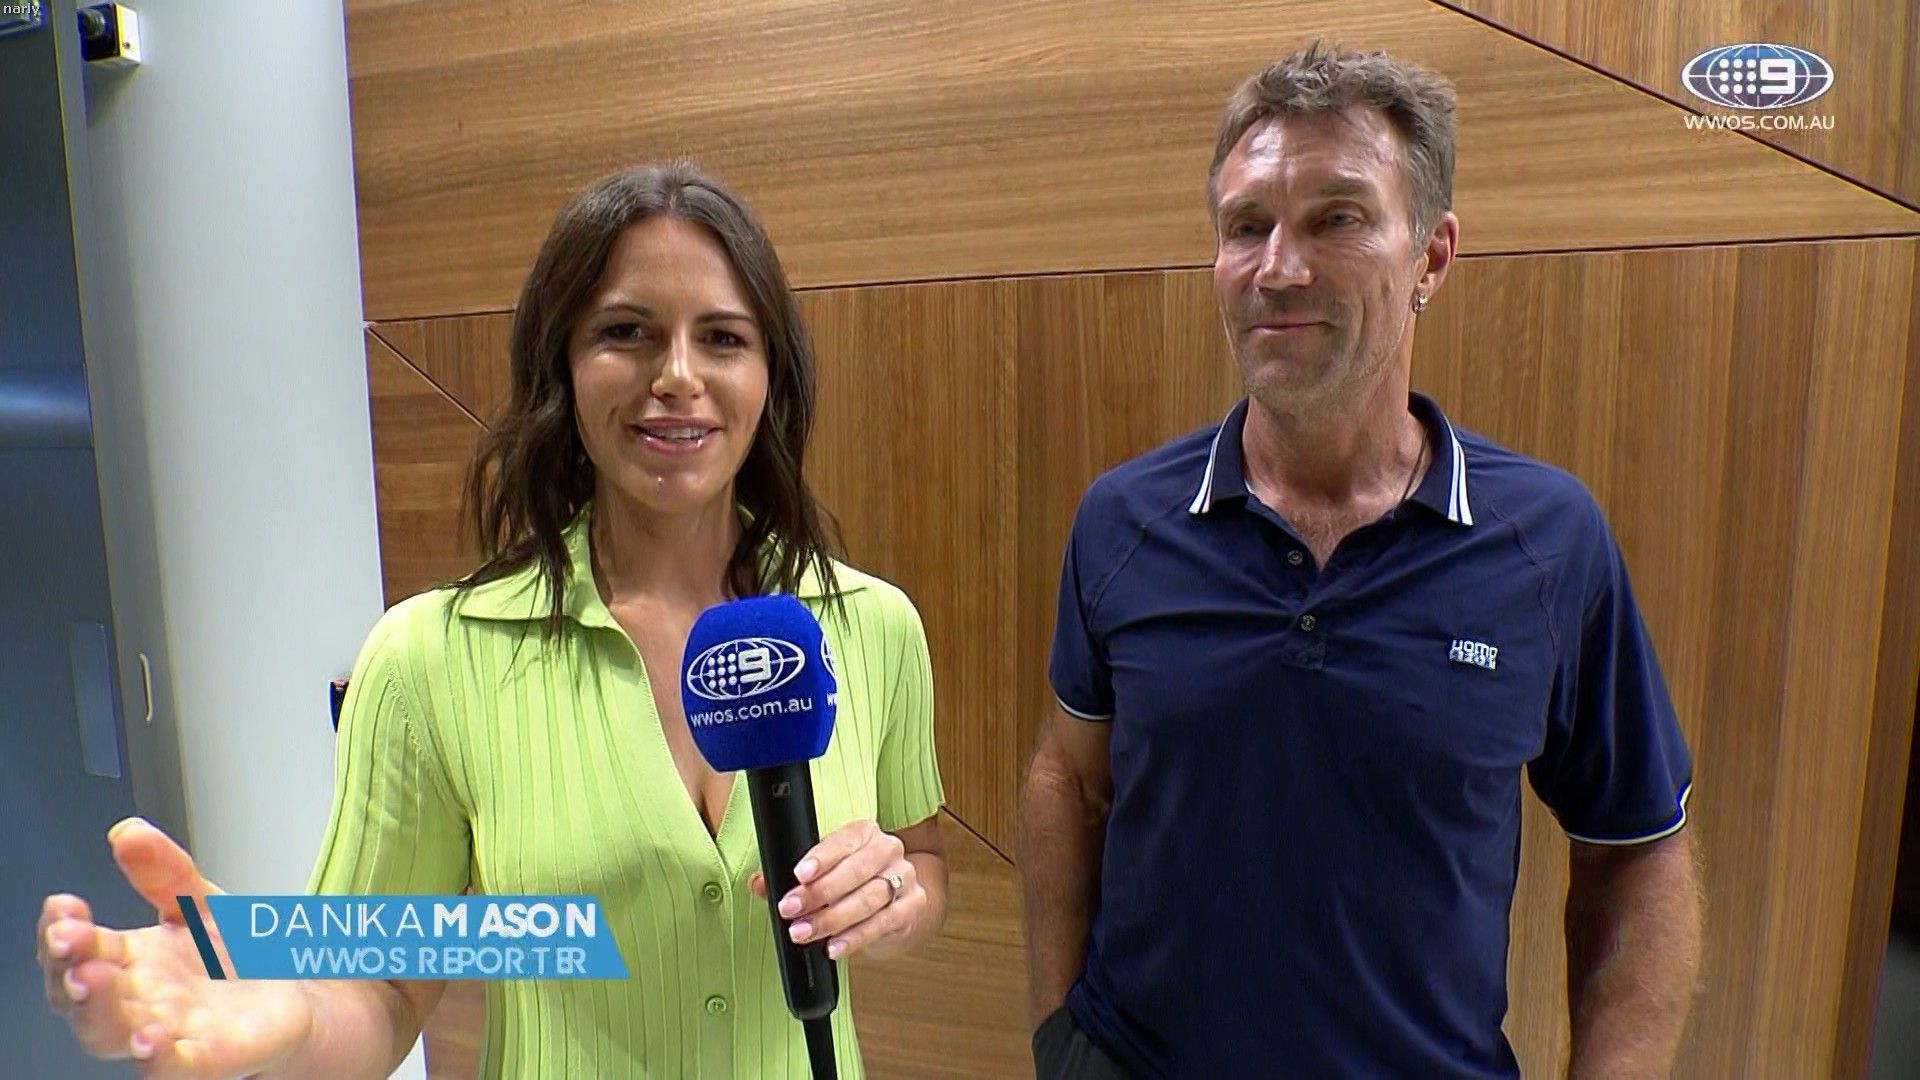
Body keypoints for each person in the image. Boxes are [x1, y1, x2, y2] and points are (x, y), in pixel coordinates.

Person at [36, 161, 949, 1078]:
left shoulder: (874, 626)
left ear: (769, 373)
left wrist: (897, 899)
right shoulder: (429, 660)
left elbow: (920, 856)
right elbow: (377, 986)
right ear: (562, 366)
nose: (678, 376)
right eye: (626, 332)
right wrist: (287, 1016)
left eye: (722, 337)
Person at [1020, 41, 1701, 1079]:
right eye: (1246, 225)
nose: (1278, 268)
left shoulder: (1548, 543)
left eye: (1336, 219)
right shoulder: (1124, 522)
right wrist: (1058, 1044)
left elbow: (1637, 845)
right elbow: (1070, 781)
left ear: (1432, 255)